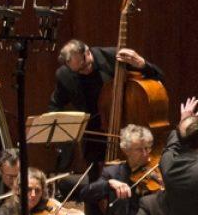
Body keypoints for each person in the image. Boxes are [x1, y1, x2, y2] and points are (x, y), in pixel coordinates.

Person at [50, 38, 163, 169]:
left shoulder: (113, 57)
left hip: (126, 131)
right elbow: (55, 104)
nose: (85, 71)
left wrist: (142, 64)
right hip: (93, 139)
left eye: (85, 65)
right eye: (79, 71)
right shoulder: (64, 75)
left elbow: (158, 75)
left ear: (87, 51)